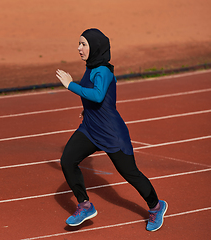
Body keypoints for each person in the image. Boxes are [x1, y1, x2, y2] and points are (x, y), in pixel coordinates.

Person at [56, 28, 167, 231]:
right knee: (67, 160)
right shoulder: (91, 67)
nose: (79, 48)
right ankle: (85, 205)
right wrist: (86, 109)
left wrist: (70, 85)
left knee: (130, 173)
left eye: (83, 44)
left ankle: (156, 206)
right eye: (79, 44)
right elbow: (98, 99)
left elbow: (98, 95)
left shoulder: (103, 71)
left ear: (95, 47)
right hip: (90, 129)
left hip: (111, 133)